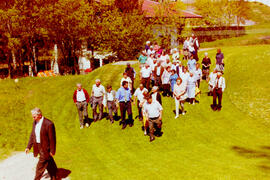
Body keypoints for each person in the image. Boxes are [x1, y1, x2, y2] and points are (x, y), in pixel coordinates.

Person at [25, 108, 57, 180]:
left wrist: (52, 150)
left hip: (46, 147)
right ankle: (54, 176)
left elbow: (52, 139)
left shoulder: (49, 124)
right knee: (49, 161)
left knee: (40, 166)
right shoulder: (35, 122)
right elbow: (33, 135)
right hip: (38, 146)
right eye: (32, 117)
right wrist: (28, 147)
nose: (33, 118)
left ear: (39, 115)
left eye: (34, 117)